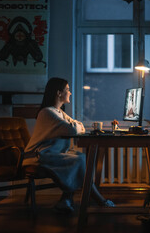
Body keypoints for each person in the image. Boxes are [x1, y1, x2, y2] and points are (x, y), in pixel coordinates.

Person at [22, 77, 115, 213]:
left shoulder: (59, 113)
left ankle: (66, 200)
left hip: (51, 154)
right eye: (68, 90)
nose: (70, 93)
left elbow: (79, 126)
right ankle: (98, 199)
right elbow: (73, 129)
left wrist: (76, 125)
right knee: (80, 159)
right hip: (38, 155)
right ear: (59, 93)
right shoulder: (47, 112)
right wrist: (76, 125)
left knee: (80, 157)